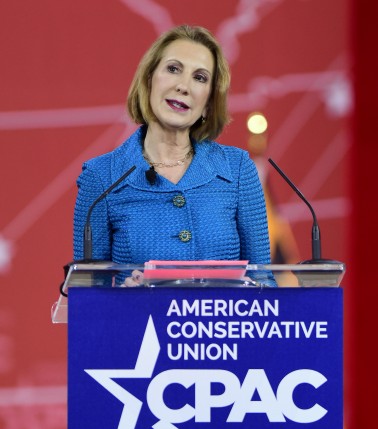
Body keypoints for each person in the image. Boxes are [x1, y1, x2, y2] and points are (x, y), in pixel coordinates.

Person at [73, 24, 275, 290]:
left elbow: (265, 282)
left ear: (209, 102)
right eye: (173, 69)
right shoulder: (101, 177)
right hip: (139, 330)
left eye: (200, 78)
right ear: (149, 79)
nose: (183, 86)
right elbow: (87, 299)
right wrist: (120, 300)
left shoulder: (237, 170)